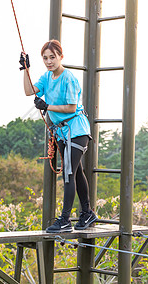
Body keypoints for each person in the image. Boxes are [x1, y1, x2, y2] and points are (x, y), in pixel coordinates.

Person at [20, 40, 98, 233]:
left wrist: (47, 106)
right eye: (45, 58)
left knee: (69, 173)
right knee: (76, 172)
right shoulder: (47, 78)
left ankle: (65, 220)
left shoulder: (68, 78)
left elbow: (71, 107)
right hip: (62, 133)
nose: (49, 61)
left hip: (77, 130)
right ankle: (87, 213)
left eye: (52, 57)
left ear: (61, 57)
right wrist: (25, 69)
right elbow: (29, 91)